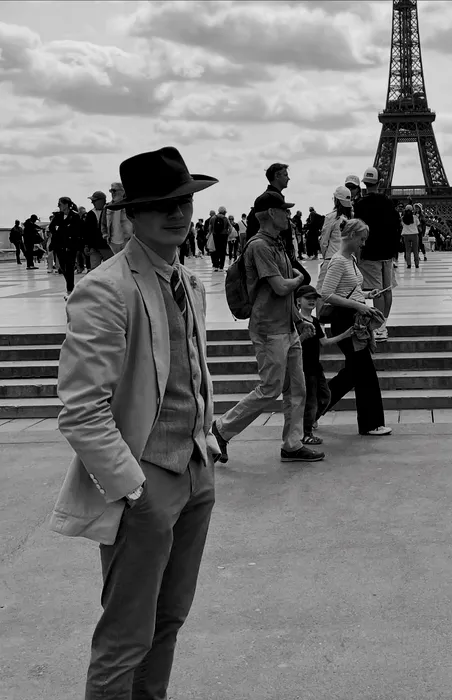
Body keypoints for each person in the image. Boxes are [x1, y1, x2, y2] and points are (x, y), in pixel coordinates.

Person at [49, 146, 220, 699]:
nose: (177, 213)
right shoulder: (106, 287)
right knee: (126, 636)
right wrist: (132, 488)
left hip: (194, 469)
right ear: (132, 215)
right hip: (144, 479)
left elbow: (188, 371)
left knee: (168, 621)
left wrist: (207, 442)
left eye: (184, 201)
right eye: (161, 204)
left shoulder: (187, 281)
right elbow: (81, 410)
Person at [211, 191, 324, 465]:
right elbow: (281, 287)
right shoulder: (260, 246)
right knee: (270, 388)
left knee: (297, 388)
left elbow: (285, 294)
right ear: (272, 213)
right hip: (268, 329)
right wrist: (299, 278)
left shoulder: (277, 244)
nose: (288, 215)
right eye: (284, 210)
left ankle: (292, 444)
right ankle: (221, 430)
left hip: (286, 327)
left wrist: (298, 320)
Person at [320, 218, 392, 437]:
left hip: (352, 319)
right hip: (346, 322)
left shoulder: (349, 259)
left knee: (353, 373)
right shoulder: (338, 261)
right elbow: (326, 294)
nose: (363, 244)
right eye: (361, 239)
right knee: (365, 372)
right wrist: (358, 305)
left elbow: (349, 288)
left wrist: (367, 295)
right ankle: (371, 424)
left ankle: (311, 410)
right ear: (351, 235)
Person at [296, 284, 354, 445]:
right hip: (302, 367)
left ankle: (308, 423)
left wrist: (345, 335)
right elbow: (291, 345)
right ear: (298, 301)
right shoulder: (296, 322)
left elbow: (324, 342)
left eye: (314, 299)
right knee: (310, 401)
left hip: (315, 366)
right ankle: (305, 433)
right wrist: (303, 337)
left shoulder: (315, 321)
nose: (312, 301)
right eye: (308, 298)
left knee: (325, 397)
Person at [354, 167, 402, 342]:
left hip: (370, 252)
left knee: (377, 292)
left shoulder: (360, 204)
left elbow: (358, 229)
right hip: (387, 252)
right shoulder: (388, 202)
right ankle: (383, 325)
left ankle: (379, 327)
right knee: (387, 290)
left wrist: (358, 252)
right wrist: (394, 250)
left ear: (364, 184)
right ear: (379, 182)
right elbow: (397, 227)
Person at [317, 186, 354, 299]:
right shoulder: (352, 218)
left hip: (331, 258)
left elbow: (324, 241)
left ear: (336, 200)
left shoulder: (331, 217)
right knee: (343, 294)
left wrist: (325, 257)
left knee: (321, 293)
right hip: (347, 260)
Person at [49, 197, 84, 300]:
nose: (59, 206)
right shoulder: (58, 216)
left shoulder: (75, 216)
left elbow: (77, 230)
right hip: (59, 245)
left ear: (66, 204)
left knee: (69, 267)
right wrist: (58, 231)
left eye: (60, 204)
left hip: (70, 245)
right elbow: (52, 227)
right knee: (62, 267)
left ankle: (70, 290)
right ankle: (71, 287)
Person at [245, 162, 290, 242]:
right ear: (277, 176)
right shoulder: (267, 200)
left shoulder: (265, 199)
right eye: (285, 175)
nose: (288, 178)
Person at [84, 191, 114, 270]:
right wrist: (86, 245)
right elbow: (87, 231)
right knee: (94, 269)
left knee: (109, 268)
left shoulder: (110, 211)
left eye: (94, 200)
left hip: (107, 246)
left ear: (102, 200)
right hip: (94, 247)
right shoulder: (90, 214)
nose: (92, 203)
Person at [102, 181, 134, 254]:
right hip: (113, 243)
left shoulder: (129, 206)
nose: (112, 193)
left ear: (122, 191)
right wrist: (105, 235)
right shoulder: (107, 207)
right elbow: (103, 223)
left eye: (114, 191)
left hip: (128, 241)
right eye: (111, 191)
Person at [209, 206, 230, 271]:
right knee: (222, 251)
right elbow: (230, 228)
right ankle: (221, 267)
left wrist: (210, 234)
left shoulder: (213, 218)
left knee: (216, 250)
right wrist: (228, 234)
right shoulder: (225, 218)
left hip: (215, 235)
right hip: (223, 236)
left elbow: (210, 227)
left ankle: (216, 266)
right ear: (224, 212)